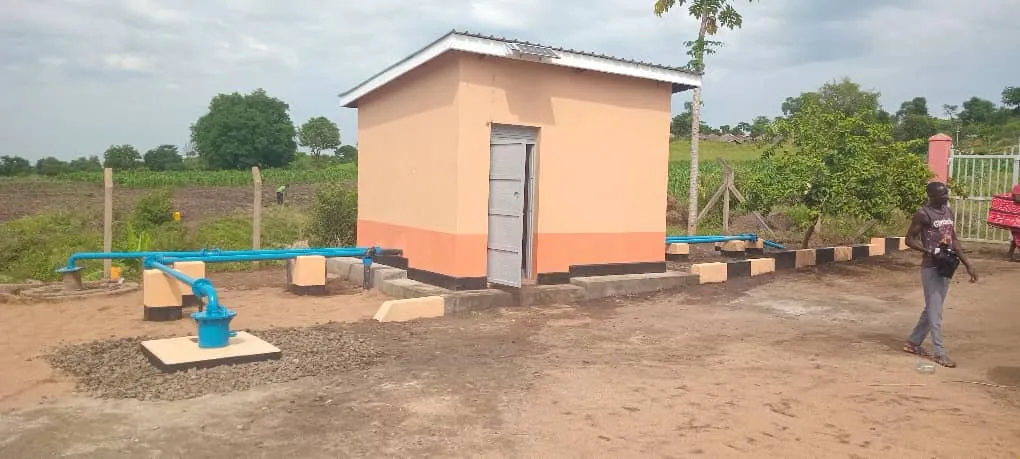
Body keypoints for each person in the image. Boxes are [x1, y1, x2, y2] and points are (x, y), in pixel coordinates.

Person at [902, 181, 978, 368]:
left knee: (932, 307)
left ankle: (913, 343)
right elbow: (909, 239)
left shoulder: (947, 212)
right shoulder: (923, 214)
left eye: (946, 193)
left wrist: (968, 264)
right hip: (931, 267)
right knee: (935, 310)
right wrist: (928, 251)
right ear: (931, 196)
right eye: (942, 194)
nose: (946, 197)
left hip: (947, 264)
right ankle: (939, 353)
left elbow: (953, 240)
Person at [1008, 184, 1020, 262]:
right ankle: (1010, 255)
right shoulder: (1017, 187)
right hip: (1015, 222)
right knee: (1017, 238)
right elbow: (1016, 198)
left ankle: (1010, 254)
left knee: (1016, 239)